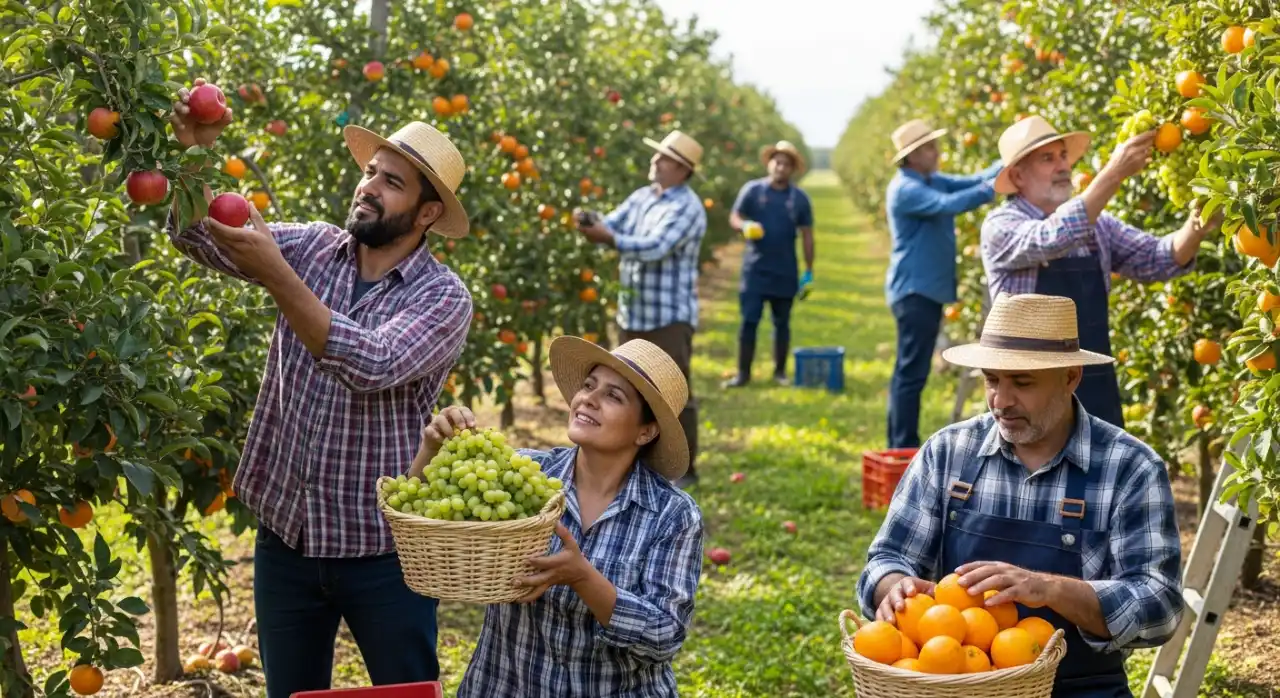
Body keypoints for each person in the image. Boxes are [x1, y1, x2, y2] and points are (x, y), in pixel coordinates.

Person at [167, 80, 473, 697]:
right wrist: (193, 153)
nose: (369, 187)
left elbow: (373, 361)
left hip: (382, 549)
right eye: (371, 173)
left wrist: (278, 277)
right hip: (288, 536)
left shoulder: (444, 298)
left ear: (428, 212)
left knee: (403, 690)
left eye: (392, 182)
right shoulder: (312, 247)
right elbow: (200, 236)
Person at [858, 293, 1183, 698]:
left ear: (1071, 377)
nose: (1001, 401)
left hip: (1080, 688)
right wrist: (894, 587)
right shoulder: (948, 454)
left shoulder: (1129, 468)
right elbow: (886, 558)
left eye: (1022, 383)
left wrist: (1051, 589)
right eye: (992, 380)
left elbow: (1161, 605)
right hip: (961, 683)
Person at [408, 337, 703, 697]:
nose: (589, 399)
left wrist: (583, 579)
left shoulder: (672, 515)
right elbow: (423, 513)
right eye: (589, 385)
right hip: (507, 686)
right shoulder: (527, 476)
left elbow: (664, 637)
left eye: (614, 396)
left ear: (646, 431)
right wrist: (432, 449)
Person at [980, 115, 1221, 429]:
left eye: (1064, 155)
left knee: (1103, 475)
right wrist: (1115, 172)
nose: (1063, 165)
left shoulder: (1099, 227)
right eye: (1047, 158)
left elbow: (1157, 258)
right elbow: (1053, 237)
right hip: (1026, 388)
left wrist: (1196, 226)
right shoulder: (1000, 226)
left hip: (1093, 381)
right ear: (1018, 175)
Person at [576, 130, 707, 488]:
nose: (654, 161)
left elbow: (654, 247)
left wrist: (608, 238)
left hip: (668, 316)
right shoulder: (642, 197)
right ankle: (639, 462)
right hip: (632, 314)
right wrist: (591, 220)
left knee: (675, 393)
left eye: (662, 157)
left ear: (681, 169)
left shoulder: (687, 207)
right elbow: (613, 222)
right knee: (632, 391)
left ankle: (685, 468)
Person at [884, 119, 1003, 449]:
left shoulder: (929, 180)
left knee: (910, 370)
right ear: (911, 157)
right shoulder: (907, 189)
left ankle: (900, 442)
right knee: (911, 373)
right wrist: (999, 185)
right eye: (928, 148)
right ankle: (902, 445)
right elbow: (951, 203)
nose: (936, 153)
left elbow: (972, 180)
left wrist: (1010, 159)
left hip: (923, 290)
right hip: (914, 290)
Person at [722, 140, 815, 388]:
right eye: (777, 161)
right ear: (769, 163)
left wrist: (809, 271)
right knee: (749, 321)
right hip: (755, 270)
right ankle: (743, 373)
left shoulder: (799, 199)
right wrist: (743, 226)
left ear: (792, 169)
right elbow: (734, 216)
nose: (781, 167)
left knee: (782, 323)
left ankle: (780, 372)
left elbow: (807, 234)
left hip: (785, 270)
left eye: (786, 164)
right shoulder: (753, 191)